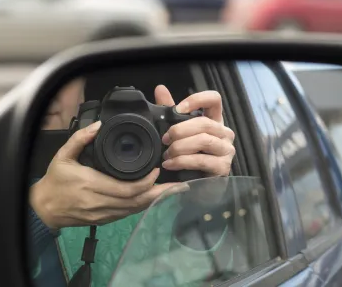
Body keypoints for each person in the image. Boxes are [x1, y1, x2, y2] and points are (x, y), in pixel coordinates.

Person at [28, 78, 236, 287]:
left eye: (61, 77)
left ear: (82, 91)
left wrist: (205, 202)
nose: (49, 91)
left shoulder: (167, 181)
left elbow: (201, 273)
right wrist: (39, 209)